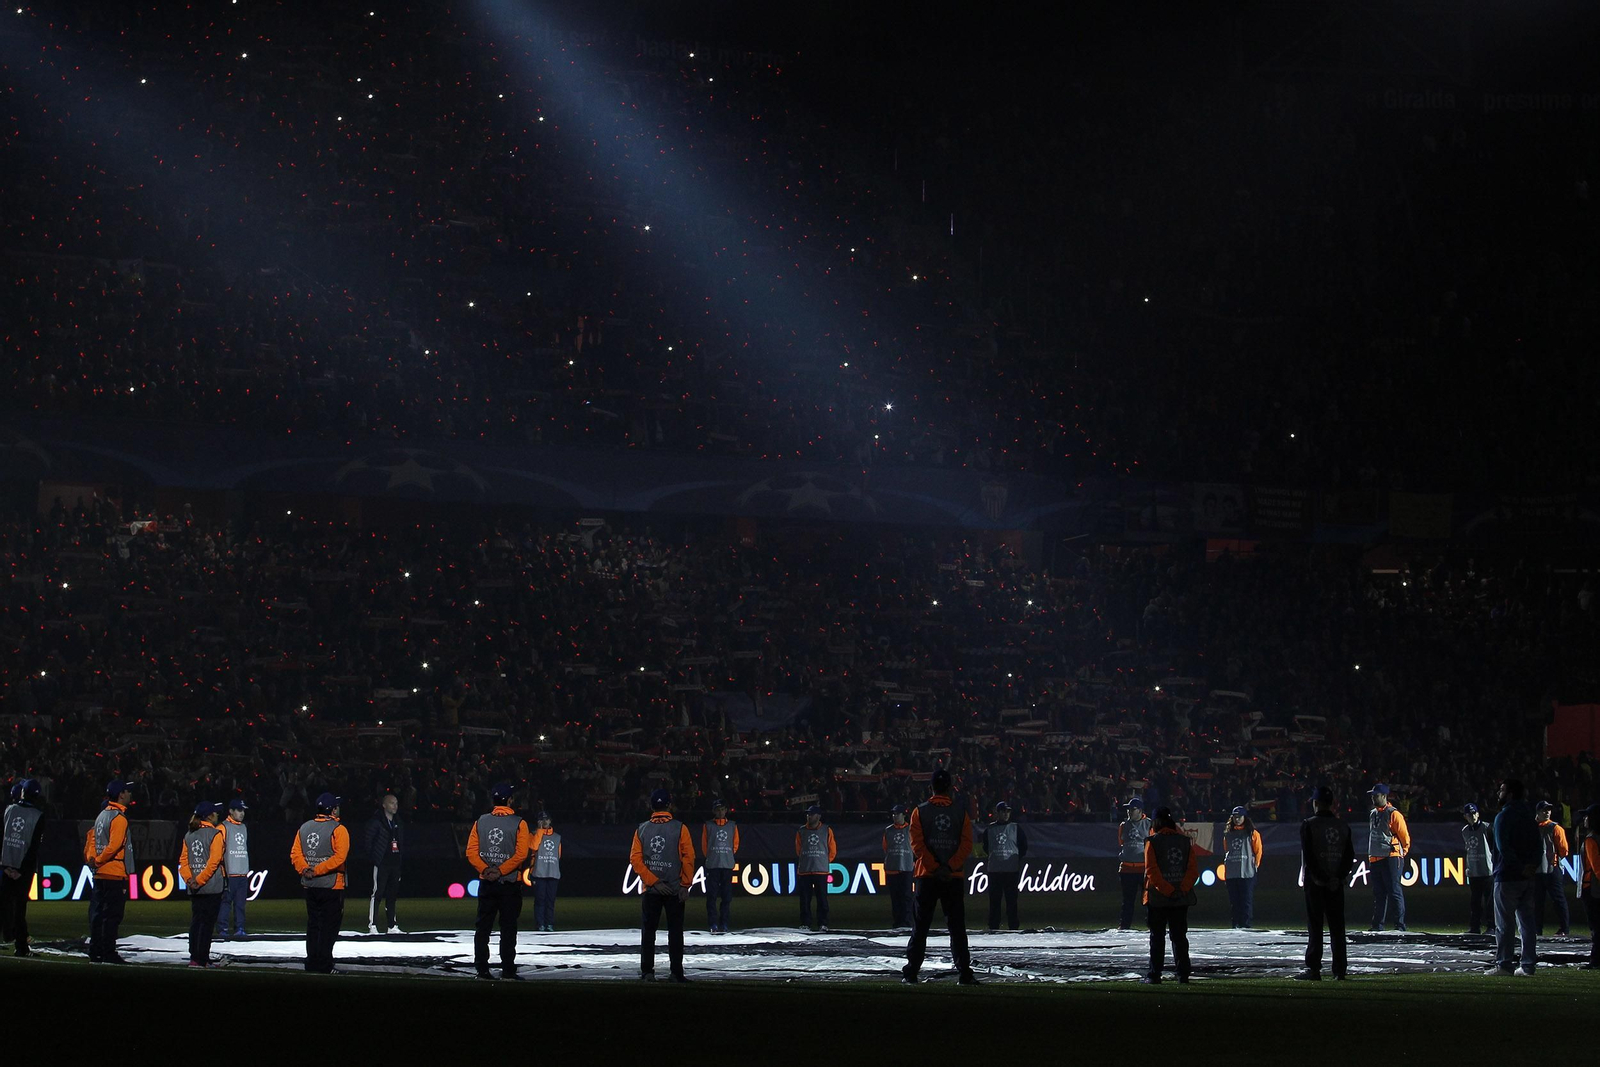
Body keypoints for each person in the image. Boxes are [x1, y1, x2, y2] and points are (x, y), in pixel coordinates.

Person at [901, 768, 978, 985]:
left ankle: (911, 972)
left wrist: (934, 866)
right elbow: (966, 845)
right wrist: (949, 866)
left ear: (931, 787)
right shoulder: (960, 812)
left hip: (927, 876)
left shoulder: (920, 811)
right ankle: (964, 973)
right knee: (957, 927)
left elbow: (917, 844)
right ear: (950, 788)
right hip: (953, 876)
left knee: (920, 927)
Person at [465, 783, 532, 979]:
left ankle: (482, 969)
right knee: (508, 928)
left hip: (487, 883)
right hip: (509, 884)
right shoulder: (519, 823)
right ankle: (508, 969)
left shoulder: (481, 821)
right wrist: (501, 871)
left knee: (483, 928)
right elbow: (521, 854)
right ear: (510, 800)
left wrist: (486, 870)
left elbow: (471, 851)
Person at [630, 788, 693, 982]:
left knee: (649, 933)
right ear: (669, 805)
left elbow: (635, 860)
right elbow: (688, 857)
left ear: (651, 806)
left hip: (651, 890)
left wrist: (654, 881)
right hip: (675, 888)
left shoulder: (642, 829)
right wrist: (685, 885)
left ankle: (647, 972)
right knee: (675, 932)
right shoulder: (680, 828)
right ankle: (676, 973)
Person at [1296, 786, 1354, 981]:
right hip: (1337, 883)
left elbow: (1310, 856)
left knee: (1315, 925)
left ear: (1316, 803)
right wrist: (1337, 878)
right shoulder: (1342, 826)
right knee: (1337, 926)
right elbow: (1349, 856)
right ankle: (1340, 970)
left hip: (1316, 883)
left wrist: (1323, 878)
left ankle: (1314, 969)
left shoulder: (1309, 824)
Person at [289, 792, 350, 974]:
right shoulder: (339, 829)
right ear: (333, 810)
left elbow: (295, 854)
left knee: (313, 925)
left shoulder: (304, 827)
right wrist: (317, 870)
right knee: (329, 927)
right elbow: (339, 857)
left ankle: (312, 963)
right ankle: (324, 965)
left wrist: (305, 869)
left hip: (310, 885)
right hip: (331, 885)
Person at [1486, 778, 1540, 977]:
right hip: (1527, 877)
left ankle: (1504, 964)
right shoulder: (1529, 816)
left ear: (1509, 794)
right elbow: (1538, 845)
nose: (1498, 793)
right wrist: (1531, 867)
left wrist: (1519, 867)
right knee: (1527, 923)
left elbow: (1503, 847)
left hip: (1507, 876)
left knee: (1504, 924)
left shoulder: (1503, 816)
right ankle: (1528, 965)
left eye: (1501, 790)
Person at [1142, 807, 1198, 985]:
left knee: (1157, 938)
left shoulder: (1152, 842)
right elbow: (1192, 870)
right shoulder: (1185, 842)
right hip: (1181, 899)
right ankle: (1183, 974)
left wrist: (1167, 890)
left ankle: (1154, 975)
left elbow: (1151, 870)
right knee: (1179, 937)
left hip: (1158, 899)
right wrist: (1181, 889)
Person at [83, 780, 136, 964]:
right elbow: (114, 846)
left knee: (97, 914)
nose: (130, 794)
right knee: (112, 916)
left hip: (99, 874)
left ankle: (95, 951)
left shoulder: (101, 815)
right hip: (113, 872)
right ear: (121, 794)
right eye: (127, 791)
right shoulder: (119, 818)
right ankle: (108, 952)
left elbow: (92, 840)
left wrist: (92, 860)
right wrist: (98, 860)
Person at [1, 778, 45, 957]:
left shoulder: (9, 810)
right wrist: (20, 870)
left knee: (4, 905)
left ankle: (10, 938)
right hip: (22, 871)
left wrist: (5, 866)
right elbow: (33, 847)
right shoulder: (38, 816)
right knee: (19, 909)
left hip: (5, 867)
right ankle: (21, 947)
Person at [179, 801, 226, 968]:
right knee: (207, 924)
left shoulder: (189, 835)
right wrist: (199, 880)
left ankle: (195, 957)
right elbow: (214, 862)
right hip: (211, 887)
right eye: (215, 812)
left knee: (196, 922)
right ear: (209, 816)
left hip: (194, 888)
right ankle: (202, 959)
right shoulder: (215, 834)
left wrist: (189, 880)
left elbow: (183, 862)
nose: (218, 815)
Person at [1365, 784, 1410, 932]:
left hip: (1391, 857)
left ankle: (1399, 925)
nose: (1373, 798)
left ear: (1384, 796)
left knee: (1394, 891)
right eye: (1372, 795)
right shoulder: (1373, 813)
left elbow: (1404, 836)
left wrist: (1402, 852)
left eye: (1376, 795)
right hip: (1375, 858)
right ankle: (1377, 925)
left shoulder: (1394, 813)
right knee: (1379, 894)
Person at [983, 801, 1027, 931]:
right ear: (997, 813)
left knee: (1011, 901)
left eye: (1008, 811)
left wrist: (1015, 859)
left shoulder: (1015, 828)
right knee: (994, 901)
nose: (1006, 814)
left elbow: (1023, 846)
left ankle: (1013, 925)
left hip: (1010, 870)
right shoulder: (989, 829)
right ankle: (994, 925)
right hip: (995, 871)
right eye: (1003, 811)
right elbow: (986, 846)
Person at [364, 793, 404, 935]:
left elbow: (401, 842)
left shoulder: (398, 822)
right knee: (378, 893)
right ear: (384, 805)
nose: (395, 806)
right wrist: (375, 859)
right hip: (382, 863)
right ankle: (373, 925)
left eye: (396, 803)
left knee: (392, 894)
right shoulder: (376, 822)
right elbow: (368, 842)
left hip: (395, 863)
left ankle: (392, 925)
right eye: (392, 803)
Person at [795, 804, 837, 932]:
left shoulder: (826, 830)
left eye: (811, 814)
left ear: (818, 816)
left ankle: (823, 923)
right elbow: (798, 849)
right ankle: (805, 923)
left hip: (821, 871)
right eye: (808, 814)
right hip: (805, 870)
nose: (809, 816)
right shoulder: (801, 831)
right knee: (804, 900)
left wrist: (823, 861)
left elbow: (832, 850)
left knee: (822, 899)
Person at [1221, 806, 1263, 929]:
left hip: (1247, 873)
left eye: (1239, 817)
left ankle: (1246, 924)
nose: (1237, 819)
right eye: (1235, 817)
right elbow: (1227, 850)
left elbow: (1258, 851)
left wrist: (1255, 866)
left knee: (1246, 901)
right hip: (1232, 873)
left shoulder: (1252, 833)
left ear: (1245, 817)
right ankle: (1235, 925)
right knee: (1234, 902)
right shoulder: (1228, 834)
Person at [700, 798, 738, 933]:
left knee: (726, 897)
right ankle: (713, 924)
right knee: (711, 896)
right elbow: (704, 845)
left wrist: (726, 855)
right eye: (717, 810)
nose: (720, 812)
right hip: (713, 865)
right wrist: (713, 856)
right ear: (714, 811)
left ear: (726, 810)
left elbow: (735, 844)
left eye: (722, 809)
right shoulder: (708, 825)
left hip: (727, 865)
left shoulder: (732, 825)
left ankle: (724, 923)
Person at [1533, 800, 1570, 937]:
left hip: (1551, 868)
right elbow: (1563, 851)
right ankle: (1537, 930)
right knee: (1539, 902)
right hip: (1540, 869)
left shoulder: (1556, 828)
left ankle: (1563, 929)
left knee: (1556, 900)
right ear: (1537, 812)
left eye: (1548, 810)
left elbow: (1564, 850)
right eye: (1544, 810)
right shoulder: (1541, 827)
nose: (1547, 812)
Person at [216, 799, 251, 941]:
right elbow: (218, 851)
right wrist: (223, 871)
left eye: (243, 811)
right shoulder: (223, 827)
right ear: (231, 811)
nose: (242, 813)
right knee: (226, 903)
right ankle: (222, 929)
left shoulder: (243, 827)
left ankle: (239, 928)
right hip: (229, 873)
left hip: (242, 872)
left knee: (240, 904)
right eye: (239, 810)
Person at [1461, 803, 1496, 936]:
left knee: (1489, 901)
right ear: (1465, 816)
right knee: (1475, 901)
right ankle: (1475, 927)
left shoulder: (1487, 828)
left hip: (1487, 871)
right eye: (1469, 814)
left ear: (1478, 814)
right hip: (1474, 871)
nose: (1473, 816)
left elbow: (1493, 847)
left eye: (1474, 813)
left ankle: (1491, 926)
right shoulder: (1465, 831)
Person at [1117, 797, 1152, 931]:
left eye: (1133, 809)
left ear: (1140, 811)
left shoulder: (1149, 824)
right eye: (1129, 809)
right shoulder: (1123, 825)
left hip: (1144, 869)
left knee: (1148, 900)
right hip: (1126, 869)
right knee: (1127, 901)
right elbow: (1121, 842)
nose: (1129, 812)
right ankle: (1124, 926)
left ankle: (1152, 925)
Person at [883, 804, 915, 930]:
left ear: (904, 815)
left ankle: (907, 922)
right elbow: (885, 847)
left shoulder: (911, 829)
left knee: (906, 896)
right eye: (893, 814)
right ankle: (897, 922)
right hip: (892, 868)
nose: (894, 816)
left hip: (906, 867)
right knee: (895, 897)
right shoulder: (888, 830)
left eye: (897, 814)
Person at [531, 811, 561, 932]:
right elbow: (533, 847)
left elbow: (558, 855)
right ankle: (540, 924)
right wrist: (539, 831)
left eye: (546, 819)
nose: (545, 822)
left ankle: (549, 924)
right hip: (539, 873)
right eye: (542, 820)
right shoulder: (533, 834)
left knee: (550, 900)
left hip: (553, 873)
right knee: (540, 900)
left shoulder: (557, 837)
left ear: (550, 821)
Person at [1579, 805, 1599, 970]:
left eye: (1587, 816)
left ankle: (1596, 960)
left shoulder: (1591, 839)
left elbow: (1597, 867)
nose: (1584, 819)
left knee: (1596, 926)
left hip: (1592, 888)